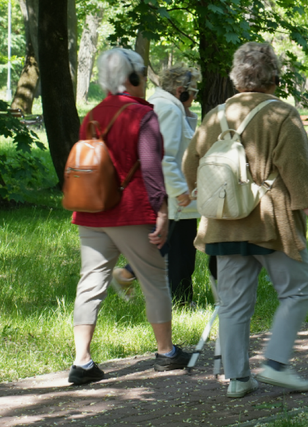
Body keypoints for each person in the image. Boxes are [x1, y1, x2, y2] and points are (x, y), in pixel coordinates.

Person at [182, 42, 308, 398]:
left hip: (223, 222)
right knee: (298, 287)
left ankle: (238, 378)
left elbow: (190, 163)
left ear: (236, 78)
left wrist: (196, 191)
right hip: (268, 219)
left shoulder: (215, 114)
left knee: (232, 303)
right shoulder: (281, 114)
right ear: (274, 77)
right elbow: (297, 170)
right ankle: (276, 364)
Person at [67, 48, 190, 386]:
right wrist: (162, 209)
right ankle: (166, 353)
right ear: (132, 77)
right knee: (154, 279)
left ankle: (82, 361)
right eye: (141, 76)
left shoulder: (91, 114)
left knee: (91, 281)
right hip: (131, 211)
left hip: (92, 209)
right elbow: (151, 166)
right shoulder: (142, 115)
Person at [147, 65, 203, 307]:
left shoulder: (165, 105)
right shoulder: (168, 109)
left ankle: (172, 297)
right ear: (181, 90)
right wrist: (180, 190)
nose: (195, 97)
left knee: (169, 248)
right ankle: (180, 301)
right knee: (181, 252)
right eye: (194, 92)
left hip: (167, 193)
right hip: (174, 195)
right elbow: (166, 156)